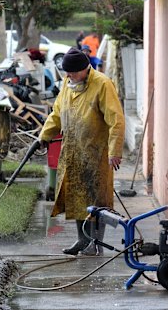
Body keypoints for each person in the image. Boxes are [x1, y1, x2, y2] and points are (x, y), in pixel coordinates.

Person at [38, 47, 125, 256]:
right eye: (66, 73)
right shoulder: (69, 86)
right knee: (76, 198)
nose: (68, 76)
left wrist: (115, 151)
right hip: (73, 152)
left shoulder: (103, 84)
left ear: (85, 69)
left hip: (96, 153)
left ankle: (96, 244)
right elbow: (57, 113)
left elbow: (116, 120)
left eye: (72, 72)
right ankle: (81, 240)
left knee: (96, 200)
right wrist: (44, 135)